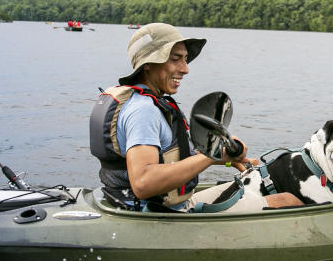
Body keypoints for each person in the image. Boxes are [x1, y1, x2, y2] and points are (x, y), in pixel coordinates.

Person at [90, 23, 254, 212]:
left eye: (185, 59)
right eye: (175, 59)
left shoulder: (144, 102)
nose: (185, 69)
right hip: (156, 213)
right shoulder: (143, 111)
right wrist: (212, 154)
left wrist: (228, 160)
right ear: (148, 64)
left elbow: (178, 159)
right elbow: (143, 183)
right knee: (283, 199)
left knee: (254, 186)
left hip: (144, 203)